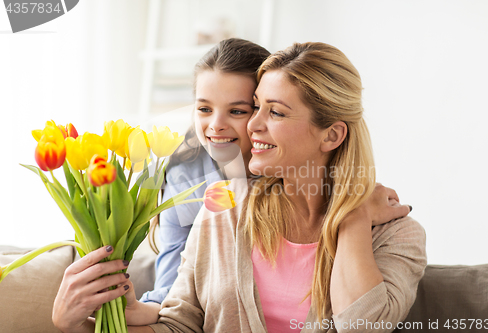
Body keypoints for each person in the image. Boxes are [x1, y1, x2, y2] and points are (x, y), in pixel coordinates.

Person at [53, 42, 426, 333]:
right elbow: (178, 325)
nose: (252, 125)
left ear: (331, 134)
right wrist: (76, 325)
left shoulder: (397, 235)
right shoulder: (222, 208)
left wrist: (353, 215)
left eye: (274, 112)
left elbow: (361, 326)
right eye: (256, 107)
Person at [141, 38, 271, 304]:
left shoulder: (290, 169)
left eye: (237, 111)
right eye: (204, 109)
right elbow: (171, 279)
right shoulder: (184, 172)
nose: (216, 125)